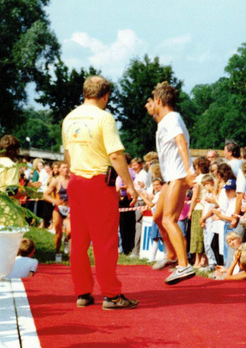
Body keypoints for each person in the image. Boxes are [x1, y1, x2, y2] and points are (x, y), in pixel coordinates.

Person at [62, 75, 139, 310]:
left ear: (84, 93)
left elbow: (67, 155)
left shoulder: (69, 118)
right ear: (105, 96)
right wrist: (130, 185)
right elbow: (115, 155)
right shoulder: (104, 118)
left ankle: (83, 292)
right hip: (98, 183)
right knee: (104, 241)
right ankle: (112, 295)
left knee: (79, 241)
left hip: (76, 181)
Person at [148, 81, 196, 285]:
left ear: (159, 100)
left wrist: (189, 170)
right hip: (170, 177)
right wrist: (154, 113)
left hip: (178, 175)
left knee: (169, 220)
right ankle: (171, 255)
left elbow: (180, 141)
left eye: (152, 102)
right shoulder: (164, 120)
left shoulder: (172, 119)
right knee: (158, 217)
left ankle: (184, 266)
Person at [43, 161, 71, 262]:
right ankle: (58, 252)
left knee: (70, 231)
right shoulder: (55, 181)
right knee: (58, 233)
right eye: (63, 168)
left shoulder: (72, 180)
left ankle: (67, 240)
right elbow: (45, 195)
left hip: (70, 209)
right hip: (58, 209)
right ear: (58, 169)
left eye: (67, 167)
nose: (66, 170)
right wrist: (54, 201)